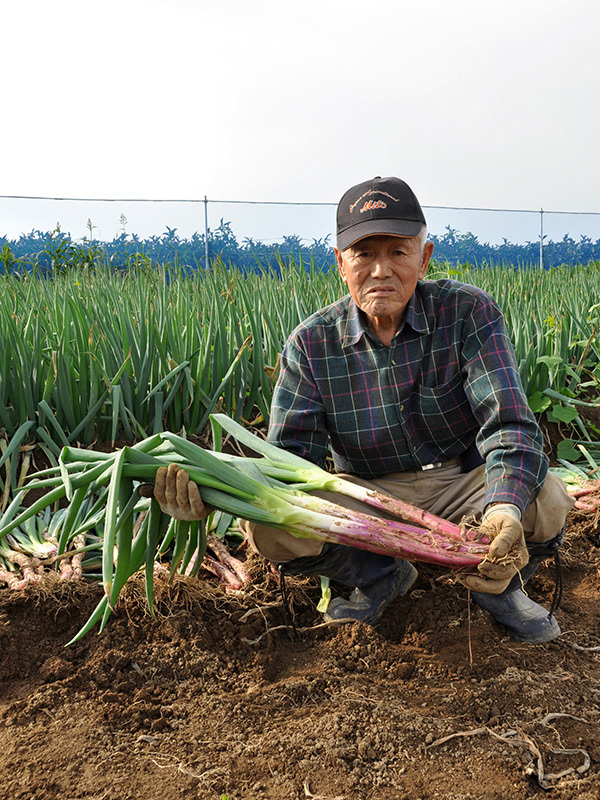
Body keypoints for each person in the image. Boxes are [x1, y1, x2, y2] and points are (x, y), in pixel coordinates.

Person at [154, 176, 574, 644]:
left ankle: (499, 584)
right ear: (340, 262)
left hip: (462, 486)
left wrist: (503, 508)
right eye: (364, 253)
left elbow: (510, 424)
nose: (380, 270)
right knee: (270, 528)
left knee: (546, 500)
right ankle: (377, 575)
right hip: (365, 496)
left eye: (397, 252)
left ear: (424, 257)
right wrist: (213, 495)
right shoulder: (312, 344)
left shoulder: (466, 314)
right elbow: (291, 463)